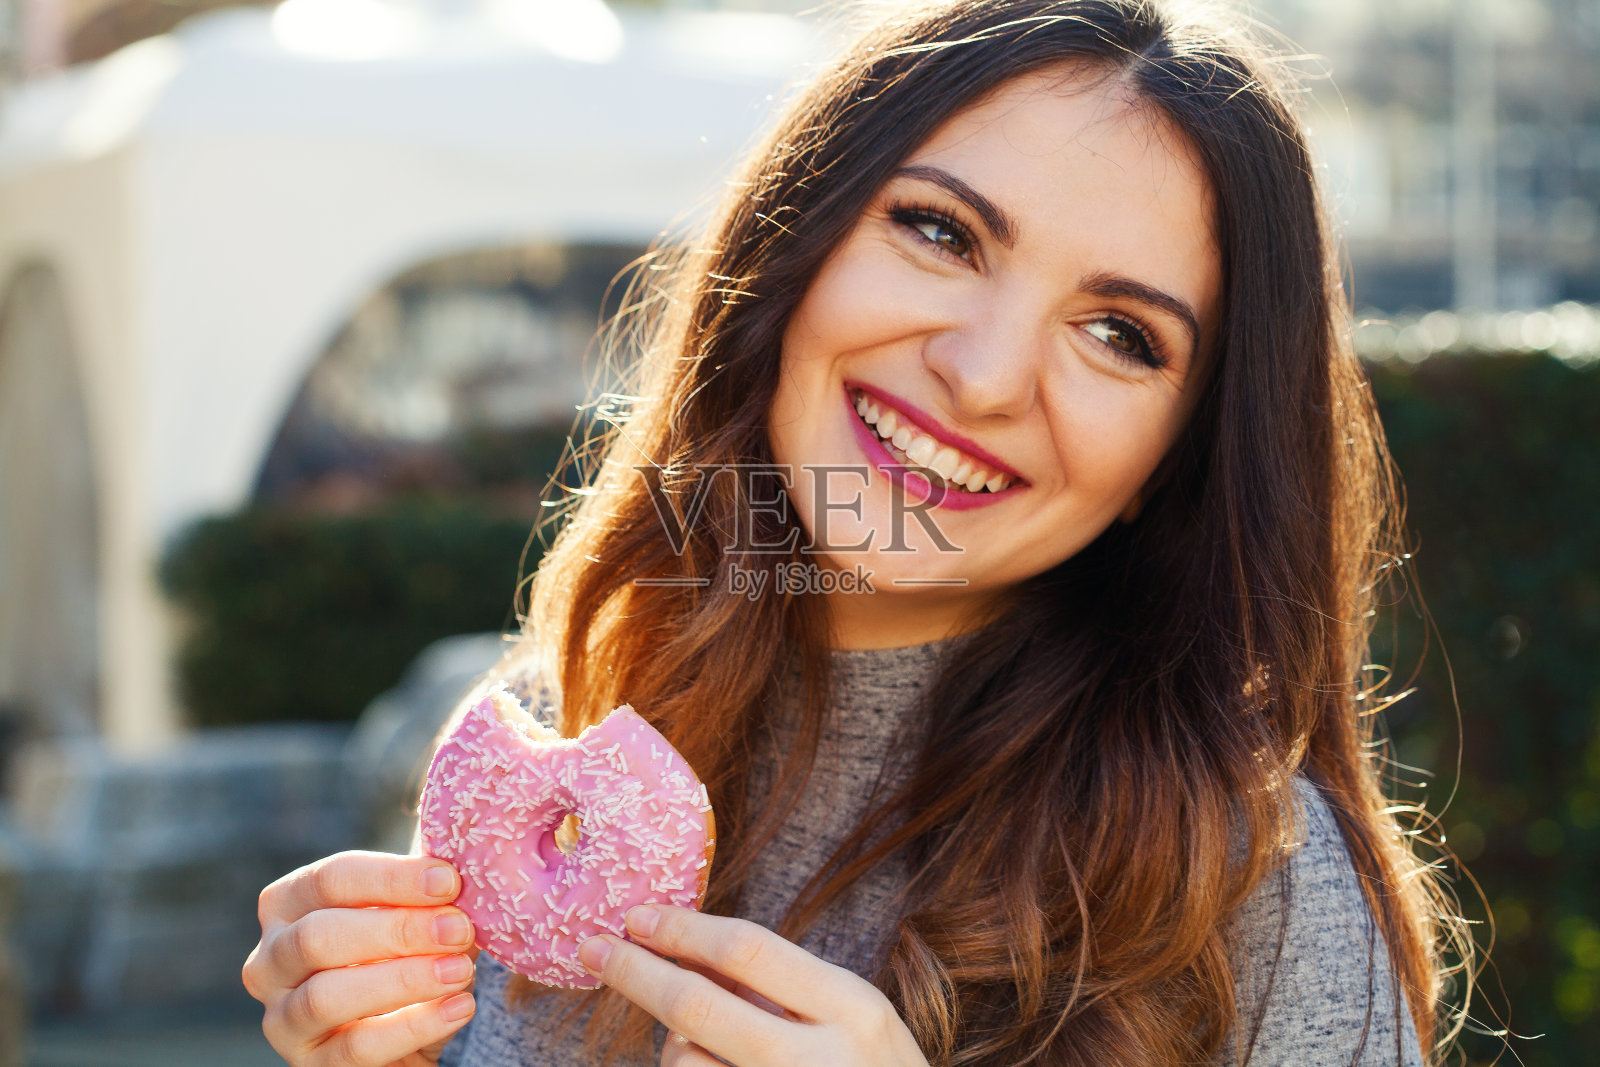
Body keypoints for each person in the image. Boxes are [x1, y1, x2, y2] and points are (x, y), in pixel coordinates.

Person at [243, 1, 1479, 1064]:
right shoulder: (560, 729)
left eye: (1120, 334)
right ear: (799, 239)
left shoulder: (1249, 882)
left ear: (1178, 457)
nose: (984, 374)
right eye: (940, 231)